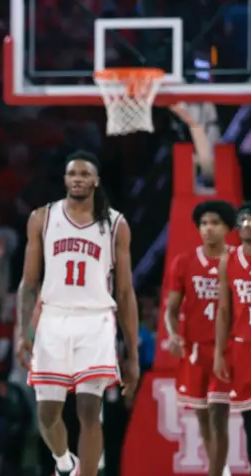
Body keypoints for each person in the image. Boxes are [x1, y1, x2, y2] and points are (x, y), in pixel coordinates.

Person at [15, 150, 140, 476]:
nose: (78, 179)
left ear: (96, 180)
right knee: (47, 413)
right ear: (65, 179)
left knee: (89, 409)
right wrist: (23, 333)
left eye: (85, 174)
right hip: (53, 319)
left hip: (96, 319)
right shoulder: (42, 218)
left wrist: (133, 353)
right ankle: (64, 463)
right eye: (72, 174)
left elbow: (125, 293)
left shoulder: (115, 225)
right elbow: (29, 285)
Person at [165, 200, 236, 476]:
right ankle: (222, 470)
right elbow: (171, 310)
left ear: (228, 227)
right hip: (195, 350)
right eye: (204, 223)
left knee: (219, 415)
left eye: (215, 223)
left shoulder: (241, 261)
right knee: (203, 416)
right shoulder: (183, 262)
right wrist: (173, 336)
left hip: (228, 349)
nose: (208, 228)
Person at [215, 203, 251, 474]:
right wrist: (219, 353)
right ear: (237, 227)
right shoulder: (229, 259)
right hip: (242, 347)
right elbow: (224, 310)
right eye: (244, 219)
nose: (248, 223)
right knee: (249, 422)